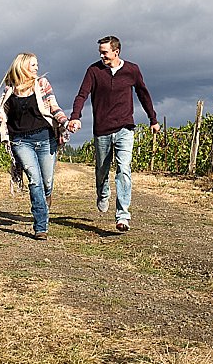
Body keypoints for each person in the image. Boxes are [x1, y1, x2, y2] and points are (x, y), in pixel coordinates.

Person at [67, 35, 160, 232]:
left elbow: (144, 94)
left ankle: (123, 216)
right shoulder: (94, 71)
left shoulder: (132, 70)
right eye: (100, 53)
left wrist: (153, 119)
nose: (102, 56)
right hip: (102, 129)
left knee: (124, 169)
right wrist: (75, 116)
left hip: (125, 128)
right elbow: (82, 94)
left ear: (116, 52)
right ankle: (103, 193)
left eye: (105, 53)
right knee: (102, 170)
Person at [0, 53, 69, 241]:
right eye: (33, 65)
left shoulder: (42, 84)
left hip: (45, 138)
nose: (36, 68)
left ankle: (46, 197)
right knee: (34, 180)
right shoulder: (10, 89)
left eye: (37, 65)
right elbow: (5, 112)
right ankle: (40, 226)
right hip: (20, 141)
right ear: (22, 66)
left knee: (47, 182)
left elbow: (53, 107)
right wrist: (0, 118)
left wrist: (65, 122)